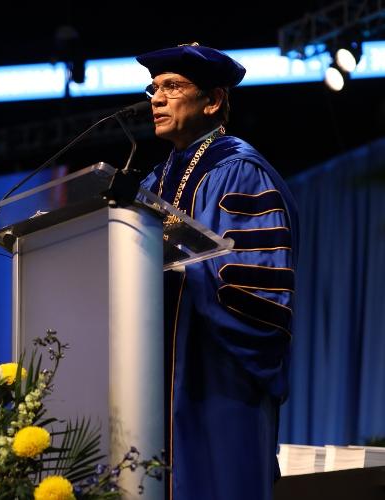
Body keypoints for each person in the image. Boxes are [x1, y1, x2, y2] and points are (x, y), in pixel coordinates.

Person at [135, 43, 299, 500]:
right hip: (150, 380)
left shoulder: (240, 172)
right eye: (154, 87)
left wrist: (174, 275)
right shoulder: (152, 183)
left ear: (213, 100)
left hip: (217, 381)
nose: (157, 98)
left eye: (173, 86)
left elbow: (259, 294)